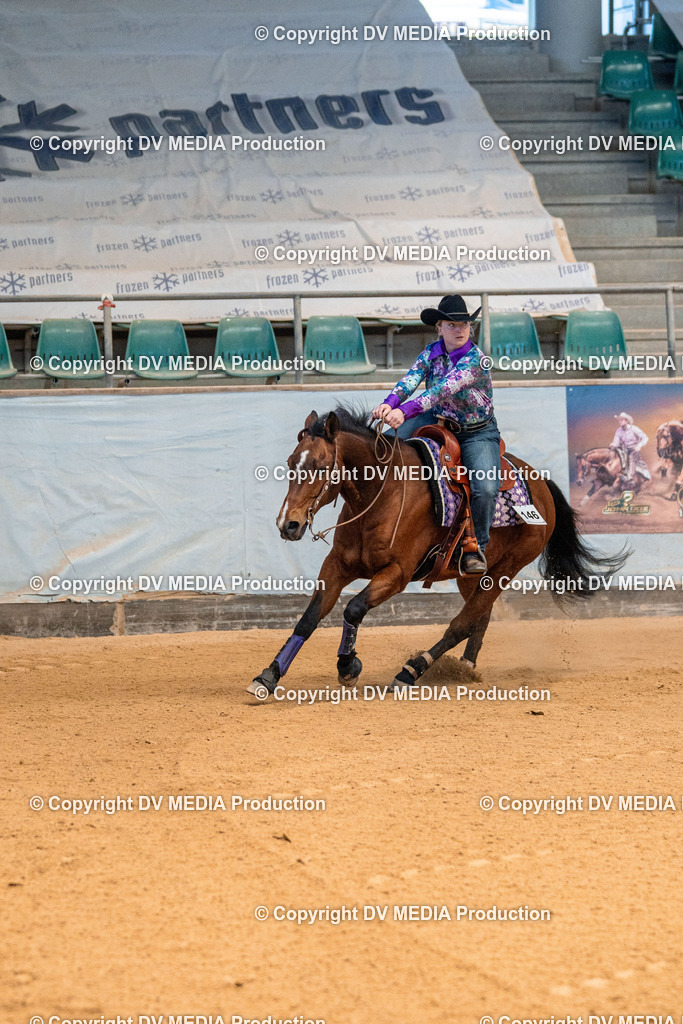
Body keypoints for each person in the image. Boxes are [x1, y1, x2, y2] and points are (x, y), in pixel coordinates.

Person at [372, 294, 500, 574]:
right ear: (439, 328)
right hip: (437, 418)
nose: (459, 329)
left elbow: (441, 390)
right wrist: (389, 403)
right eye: (452, 324)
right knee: (382, 445)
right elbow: (410, 380)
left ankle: (476, 546)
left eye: (464, 324)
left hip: (477, 432)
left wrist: (404, 411)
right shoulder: (430, 352)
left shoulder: (476, 361)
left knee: (486, 488)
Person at [609, 412, 650, 485]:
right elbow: (616, 442)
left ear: (626, 421)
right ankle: (615, 473)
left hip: (634, 449)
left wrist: (639, 445)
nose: (619, 422)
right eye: (619, 420)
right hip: (625, 449)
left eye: (621, 420)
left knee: (631, 457)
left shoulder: (634, 429)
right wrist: (613, 445)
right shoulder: (618, 431)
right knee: (617, 456)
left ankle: (630, 477)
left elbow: (645, 438)